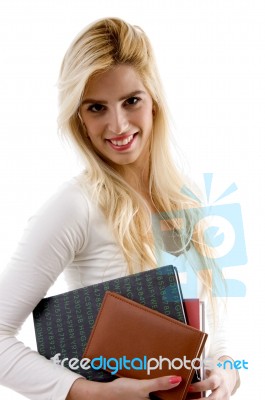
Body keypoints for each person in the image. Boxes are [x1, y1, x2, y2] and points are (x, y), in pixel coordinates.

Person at [0, 17, 240, 399]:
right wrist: (92, 393)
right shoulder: (75, 204)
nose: (118, 125)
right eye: (97, 107)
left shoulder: (188, 196)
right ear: (79, 117)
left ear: (154, 99)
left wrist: (227, 369)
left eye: (131, 101)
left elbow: (216, 315)